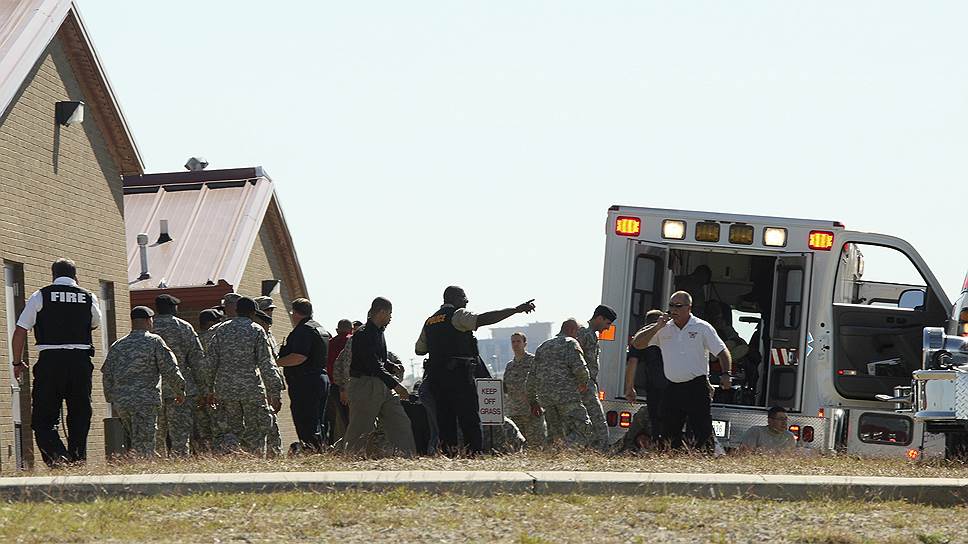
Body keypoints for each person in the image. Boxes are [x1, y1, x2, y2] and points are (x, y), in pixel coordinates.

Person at [415, 286, 535, 456]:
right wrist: (515, 310)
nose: (466, 301)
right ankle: (474, 455)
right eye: (464, 298)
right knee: (469, 418)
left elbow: (419, 349)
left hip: (436, 379)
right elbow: (483, 319)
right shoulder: (458, 315)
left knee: (445, 419)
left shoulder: (430, 321)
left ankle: (450, 455)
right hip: (459, 377)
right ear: (455, 299)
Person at [11, 259, 102, 466]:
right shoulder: (88, 297)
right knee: (80, 413)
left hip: (50, 362)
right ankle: (78, 459)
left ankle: (58, 458)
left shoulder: (40, 295)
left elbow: (20, 330)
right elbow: (95, 323)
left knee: (43, 419)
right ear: (75, 276)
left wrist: (17, 362)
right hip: (80, 361)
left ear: (53, 275)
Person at [631, 291, 732, 451]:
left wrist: (726, 374)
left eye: (678, 306)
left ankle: (705, 461)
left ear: (689, 308)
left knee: (702, 430)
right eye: (671, 306)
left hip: (697, 387)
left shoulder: (702, 327)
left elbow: (722, 351)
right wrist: (657, 327)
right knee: (668, 431)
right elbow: (637, 343)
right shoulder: (663, 328)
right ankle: (671, 462)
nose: (674, 310)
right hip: (672, 386)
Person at [102, 306, 186, 458]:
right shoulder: (154, 341)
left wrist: (111, 399)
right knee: (145, 441)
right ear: (149, 321)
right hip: (145, 401)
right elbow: (170, 368)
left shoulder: (118, 345)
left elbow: (107, 374)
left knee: (134, 439)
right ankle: (143, 472)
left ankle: (137, 468)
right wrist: (179, 390)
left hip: (123, 402)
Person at [209, 297, 283, 456]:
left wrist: (208, 389)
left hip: (226, 390)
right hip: (251, 390)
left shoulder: (221, 330)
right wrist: (274, 391)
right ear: (253, 313)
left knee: (231, 430)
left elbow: (210, 363)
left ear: (236, 310)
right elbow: (266, 363)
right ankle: (254, 465)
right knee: (255, 429)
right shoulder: (256, 330)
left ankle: (230, 463)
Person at [344, 297, 415, 456]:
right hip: (365, 386)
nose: (391, 318)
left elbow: (377, 360)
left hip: (382, 384)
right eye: (389, 314)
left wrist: (390, 365)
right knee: (360, 429)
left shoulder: (378, 332)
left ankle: (407, 456)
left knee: (400, 422)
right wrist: (396, 385)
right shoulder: (363, 334)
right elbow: (373, 365)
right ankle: (350, 460)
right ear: (381, 312)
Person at [151, 294, 204, 457]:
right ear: (174, 308)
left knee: (157, 435)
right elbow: (197, 359)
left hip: (154, 387)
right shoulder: (184, 327)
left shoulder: (150, 327)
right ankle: (181, 466)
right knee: (180, 435)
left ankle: (157, 469)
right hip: (179, 388)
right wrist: (204, 386)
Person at [276, 298, 331, 452]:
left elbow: (299, 357)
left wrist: (276, 363)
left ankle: (311, 453)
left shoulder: (303, 330)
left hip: (306, 382)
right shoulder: (319, 328)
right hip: (320, 379)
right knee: (318, 421)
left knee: (306, 420)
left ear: (295, 313)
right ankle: (320, 451)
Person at [527, 319, 593, 447]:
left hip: (546, 399)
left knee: (554, 434)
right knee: (582, 428)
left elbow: (531, 377)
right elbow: (581, 370)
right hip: (567, 397)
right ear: (571, 330)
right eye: (577, 332)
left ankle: (553, 458)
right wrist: (583, 383)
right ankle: (569, 451)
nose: (578, 336)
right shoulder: (570, 343)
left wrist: (533, 401)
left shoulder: (543, 346)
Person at [575, 304, 617, 450]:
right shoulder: (584, 335)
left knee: (591, 424)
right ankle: (601, 453)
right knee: (599, 424)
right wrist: (582, 382)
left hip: (587, 385)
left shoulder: (590, 335)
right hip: (584, 386)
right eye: (607, 323)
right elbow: (575, 360)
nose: (608, 328)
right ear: (599, 318)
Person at [625, 309, 668, 441]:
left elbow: (632, 362)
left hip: (654, 385)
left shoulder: (641, 338)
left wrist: (629, 388)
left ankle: (658, 446)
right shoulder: (670, 334)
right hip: (673, 385)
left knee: (656, 420)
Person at [502, 332, 546, 448]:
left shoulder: (533, 361)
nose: (515, 344)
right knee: (518, 445)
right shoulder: (509, 366)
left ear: (524, 343)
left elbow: (542, 383)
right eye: (513, 342)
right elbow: (505, 388)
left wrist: (537, 403)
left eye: (518, 341)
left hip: (531, 410)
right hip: (514, 411)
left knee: (537, 444)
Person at [254, 306, 285, 457]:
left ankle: (274, 456)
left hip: (268, 385)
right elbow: (267, 364)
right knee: (264, 424)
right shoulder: (257, 334)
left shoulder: (268, 336)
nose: (270, 315)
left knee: (270, 424)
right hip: (260, 386)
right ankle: (264, 456)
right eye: (267, 311)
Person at [194, 309, 223, 451]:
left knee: (202, 430)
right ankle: (219, 456)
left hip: (197, 391)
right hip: (214, 390)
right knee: (219, 427)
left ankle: (204, 455)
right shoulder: (217, 339)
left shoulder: (194, 339)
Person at [324, 319, 352, 445]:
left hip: (334, 387)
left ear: (337, 330)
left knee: (338, 420)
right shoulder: (352, 340)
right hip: (353, 386)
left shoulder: (329, 343)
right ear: (351, 329)